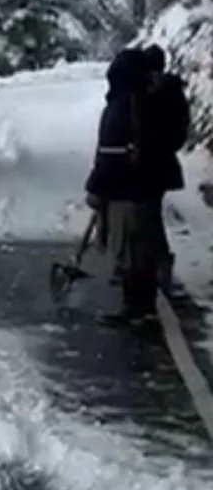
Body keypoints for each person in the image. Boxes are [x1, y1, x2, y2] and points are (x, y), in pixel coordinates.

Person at [85, 48, 168, 325]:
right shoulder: (146, 100)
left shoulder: (124, 105)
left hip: (126, 188)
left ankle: (136, 306)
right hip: (141, 185)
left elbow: (110, 151)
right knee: (139, 247)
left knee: (130, 248)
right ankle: (142, 304)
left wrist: (97, 186)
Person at [142, 44, 190, 297]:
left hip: (157, 164)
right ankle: (151, 263)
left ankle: (159, 264)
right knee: (147, 216)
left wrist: (156, 144)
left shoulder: (168, 93)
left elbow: (177, 133)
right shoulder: (156, 91)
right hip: (149, 164)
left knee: (149, 216)